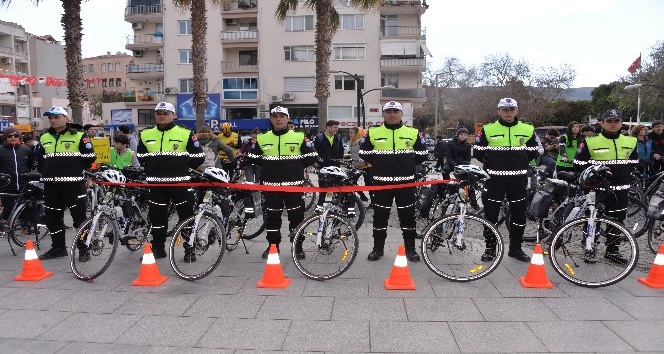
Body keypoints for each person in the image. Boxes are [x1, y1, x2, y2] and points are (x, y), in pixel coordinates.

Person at [245, 106, 318, 259]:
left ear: (287, 118)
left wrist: (296, 167)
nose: (278, 119)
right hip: (271, 187)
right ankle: (273, 247)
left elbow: (312, 156)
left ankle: (297, 247)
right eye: (275, 116)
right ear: (271, 119)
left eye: (282, 116)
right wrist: (268, 166)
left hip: (294, 186)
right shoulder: (263, 138)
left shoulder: (299, 137)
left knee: (296, 217)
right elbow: (252, 157)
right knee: (272, 218)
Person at [359, 101, 428, 262]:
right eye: (388, 111)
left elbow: (422, 153)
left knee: (408, 217)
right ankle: (378, 248)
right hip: (382, 183)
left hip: (406, 183)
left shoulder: (413, 132)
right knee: (380, 217)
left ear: (401, 114)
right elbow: (364, 152)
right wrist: (381, 163)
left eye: (395, 111)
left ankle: (410, 249)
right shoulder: (373, 132)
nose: (392, 114)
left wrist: (408, 164)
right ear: (383, 114)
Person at [474, 98, 539, 263]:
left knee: (518, 214)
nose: (508, 112)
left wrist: (520, 160)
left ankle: (515, 249)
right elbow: (478, 152)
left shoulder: (528, 128)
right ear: (498, 111)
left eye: (511, 109)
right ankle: (490, 248)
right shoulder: (487, 129)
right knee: (491, 214)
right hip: (495, 179)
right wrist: (492, 162)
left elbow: (534, 150)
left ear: (516, 111)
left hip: (518, 178)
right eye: (504, 109)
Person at [136, 102, 204, 260]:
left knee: (186, 216)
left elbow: (198, 156)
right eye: (158, 112)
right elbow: (141, 156)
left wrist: (182, 168)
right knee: (157, 217)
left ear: (173, 115)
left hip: (180, 183)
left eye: (166, 113)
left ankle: (189, 249)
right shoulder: (146, 133)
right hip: (156, 184)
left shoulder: (185, 133)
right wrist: (152, 168)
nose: (161, 115)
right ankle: (158, 248)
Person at [574, 109, 638, 264]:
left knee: (617, 220)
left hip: (621, 189)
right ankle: (589, 248)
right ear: (602, 123)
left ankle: (612, 250)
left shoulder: (631, 141)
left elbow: (634, 163)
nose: (613, 124)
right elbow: (578, 165)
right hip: (596, 189)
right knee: (592, 219)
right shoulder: (590, 141)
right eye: (609, 121)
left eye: (616, 121)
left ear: (621, 123)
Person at [38, 106, 96, 260]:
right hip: (51, 185)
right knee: (52, 219)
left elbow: (90, 157)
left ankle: (83, 249)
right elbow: (41, 161)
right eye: (50, 117)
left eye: (56, 117)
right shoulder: (44, 137)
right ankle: (58, 248)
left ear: (66, 119)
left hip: (73, 185)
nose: (53, 120)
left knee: (79, 218)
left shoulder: (79, 136)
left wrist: (81, 173)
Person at [0, 127, 34, 222]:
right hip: (7, 185)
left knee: (25, 207)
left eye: (15, 136)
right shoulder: (1, 150)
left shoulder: (26, 150)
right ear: (5, 138)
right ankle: (5, 225)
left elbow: (30, 165)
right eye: (10, 136)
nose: (13, 138)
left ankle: (25, 225)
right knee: (8, 208)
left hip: (24, 184)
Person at [314, 120, 344, 211]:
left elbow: (341, 150)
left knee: (333, 187)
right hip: (323, 167)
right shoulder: (319, 137)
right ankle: (320, 206)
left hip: (335, 167)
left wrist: (339, 159)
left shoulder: (338, 137)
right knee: (323, 187)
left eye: (337, 127)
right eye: (335, 127)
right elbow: (315, 151)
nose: (337, 129)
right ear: (328, 127)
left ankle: (330, 204)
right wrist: (319, 162)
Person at [348, 127, 369, 202]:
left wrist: (365, 158)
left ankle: (373, 202)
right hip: (356, 165)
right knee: (352, 182)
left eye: (351, 133)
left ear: (357, 133)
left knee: (368, 184)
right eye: (349, 132)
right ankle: (363, 197)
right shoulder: (351, 141)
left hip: (366, 166)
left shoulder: (362, 141)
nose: (349, 134)